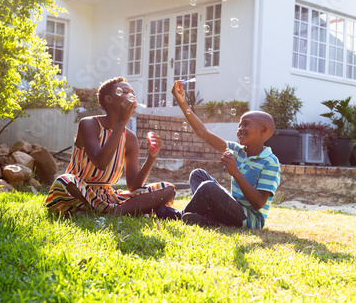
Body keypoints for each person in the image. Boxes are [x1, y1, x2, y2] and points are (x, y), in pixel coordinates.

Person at [45, 77, 175, 216]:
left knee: (167, 190)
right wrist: (121, 122)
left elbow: (133, 186)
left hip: (108, 197)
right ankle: (119, 211)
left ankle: (108, 212)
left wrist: (151, 157)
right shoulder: (89, 124)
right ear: (108, 99)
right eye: (124, 92)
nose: (131, 96)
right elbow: (101, 163)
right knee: (64, 180)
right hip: (79, 191)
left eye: (133, 93)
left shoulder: (130, 138)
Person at [169, 80, 280, 229]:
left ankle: (180, 216)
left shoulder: (270, 162)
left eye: (246, 124)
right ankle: (211, 219)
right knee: (198, 175)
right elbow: (204, 133)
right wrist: (183, 103)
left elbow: (259, 203)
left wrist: (236, 173)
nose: (240, 129)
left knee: (208, 187)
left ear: (263, 131)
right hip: (231, 208)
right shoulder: (238, 150)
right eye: (239, 124)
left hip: (248, 219)